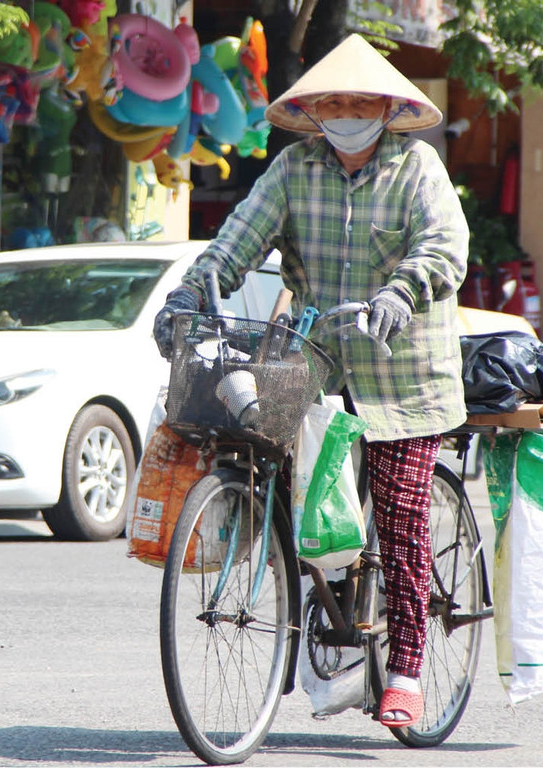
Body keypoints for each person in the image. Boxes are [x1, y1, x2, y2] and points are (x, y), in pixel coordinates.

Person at [152, 34, 469, 729]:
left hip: (406, 374)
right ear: (314, 110)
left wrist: (399, 294)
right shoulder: (294, 169)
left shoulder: (418, 168)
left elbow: (443, 247)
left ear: (387, 109)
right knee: (274, 479)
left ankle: (408, 665)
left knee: (400, 513)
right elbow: (236, 241)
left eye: (360, 101)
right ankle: (309, 626)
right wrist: (189, 297)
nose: (346, 111)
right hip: (315, 360)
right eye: (334, 101)